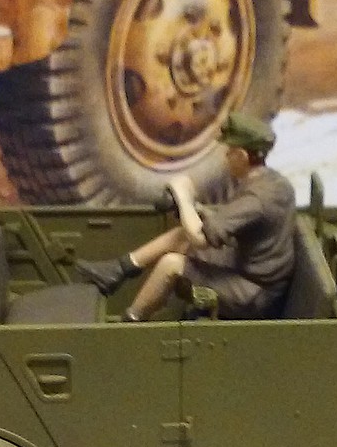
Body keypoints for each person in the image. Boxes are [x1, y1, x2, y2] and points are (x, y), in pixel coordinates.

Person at [75, 114, 296, 322]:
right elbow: (234, 219)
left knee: (171, 264)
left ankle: (129, 324)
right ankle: (118, 269)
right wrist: (196, 208)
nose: (226, 157)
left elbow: (200, 238)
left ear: (242, 156)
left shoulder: (256, 198)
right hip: (249, 271)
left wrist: (183, 198)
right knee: (181, 236)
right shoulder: (272, 183)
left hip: (253, 292)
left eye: (230, 152)